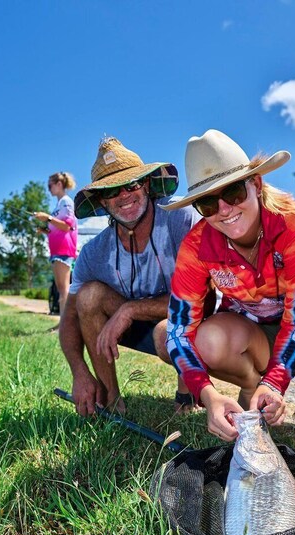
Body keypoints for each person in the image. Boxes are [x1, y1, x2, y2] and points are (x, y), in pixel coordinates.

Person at [164, 129, 295, 459]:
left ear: (256, 184)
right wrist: (208, 394)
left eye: (232, 192)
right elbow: (177, 330)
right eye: (207, 203)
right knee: (206, 339)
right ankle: (249, 388)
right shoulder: (196, 246)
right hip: (250, 338)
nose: (224, 210)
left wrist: (276, 382)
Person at [59, 136, 200, 416]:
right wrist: (79, 372)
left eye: (132, 184)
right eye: (111, 191)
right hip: (133, 328)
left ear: (146, 185)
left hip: (187, 322)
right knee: (88, 297)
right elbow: (69, 319)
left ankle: (187, 394)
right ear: (101, 201)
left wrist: (131, 309)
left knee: (169, 333)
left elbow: (199, 299)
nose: (124, 195)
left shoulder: (181, 219)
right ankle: (111, 400)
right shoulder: (93, 253)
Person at [33, 171, 78, 316]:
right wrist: (45, 230)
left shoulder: (66, 202)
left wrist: (47, 218)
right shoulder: (59, 205)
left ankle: (65, 325)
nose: (48, 188)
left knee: (64, 289)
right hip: (56, 250)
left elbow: (67, 226)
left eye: (50, 185)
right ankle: (62, 323)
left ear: (59, 184)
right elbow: (58, 229)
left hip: (64, 250)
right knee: (61, 289)